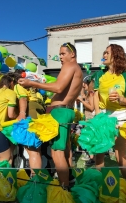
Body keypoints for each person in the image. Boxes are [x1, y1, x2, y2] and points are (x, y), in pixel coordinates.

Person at [18, 42, 83, 190]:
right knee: (65, 151)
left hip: (60, 112)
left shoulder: (70, 66)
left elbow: (58, 87)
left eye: (63, 53)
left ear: (72, 54)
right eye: (59, 54)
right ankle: (69, 182)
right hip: (65, 111)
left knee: (57, 152)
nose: (60, 57)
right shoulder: (77, 69)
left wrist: (32, 83)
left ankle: (63, 190)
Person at [94, 44, 126, 179]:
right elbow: (95, 95)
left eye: (107, 53)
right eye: (104, 53)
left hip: (120, 117)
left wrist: (121, 99)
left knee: (119, 155)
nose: (103, 55)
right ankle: (99, 185)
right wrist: (98, 114)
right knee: (99, 153)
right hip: (103, 115)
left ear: (116, 55)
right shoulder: (99, 74)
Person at [9, 71, 45, 177]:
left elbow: (23, 98)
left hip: (30, 112)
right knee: (37, 149)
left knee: (31, 148)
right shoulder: (32, 87)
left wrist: (22, 113)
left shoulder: (18, 86)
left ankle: (35, 178)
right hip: (39, 112)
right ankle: (39, 176)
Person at [77, 76, 95, 165]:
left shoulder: (92, 94)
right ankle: (91, 158)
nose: (84, 87)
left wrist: (82, 101)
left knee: (90, 139)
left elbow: (91, 108)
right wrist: (81, 87)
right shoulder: (88, 94)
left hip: (91, 119)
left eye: (84, 85)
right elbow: (83, 96)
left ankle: (92, 158)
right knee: (89, 139)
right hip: (88, 119)